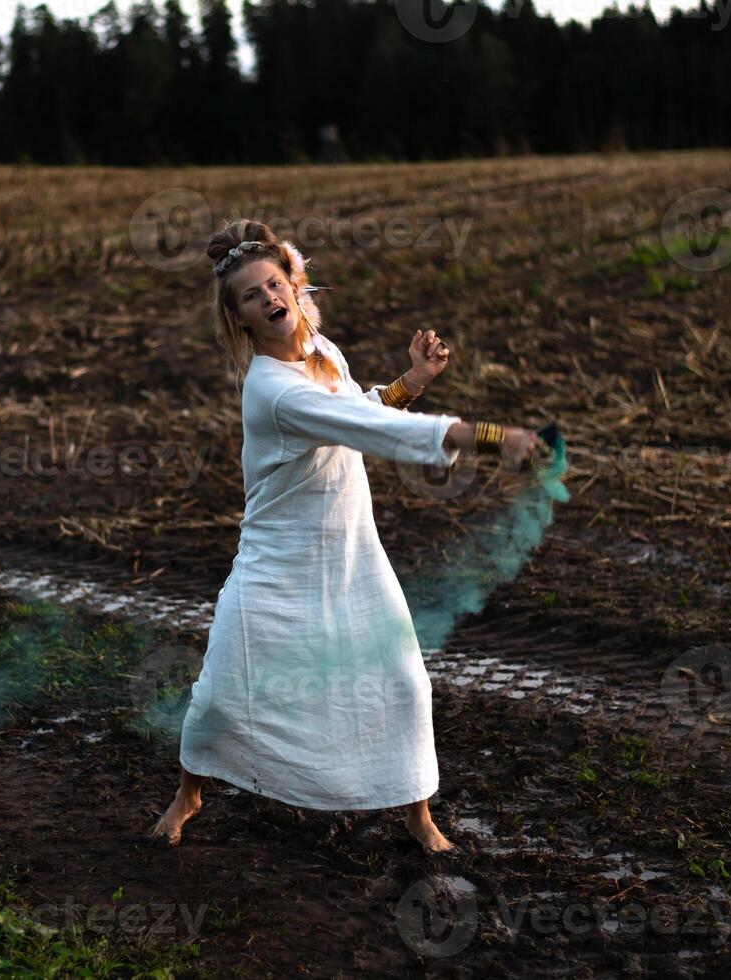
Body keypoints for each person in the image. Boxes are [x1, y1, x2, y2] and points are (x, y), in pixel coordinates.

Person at [147, 220, 547, 854]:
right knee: (226, 689)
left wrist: (410, 383)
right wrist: (496, 438)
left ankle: (417, 813)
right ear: (240, 319)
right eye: (250, 295)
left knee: (401, 680)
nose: (268, 298)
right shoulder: (271, 390)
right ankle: (188, 794)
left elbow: (361, 409)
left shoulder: (322, 352)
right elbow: (371, 433)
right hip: (277, 563)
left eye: (274, 283)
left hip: (350, 552)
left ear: (294, 287)